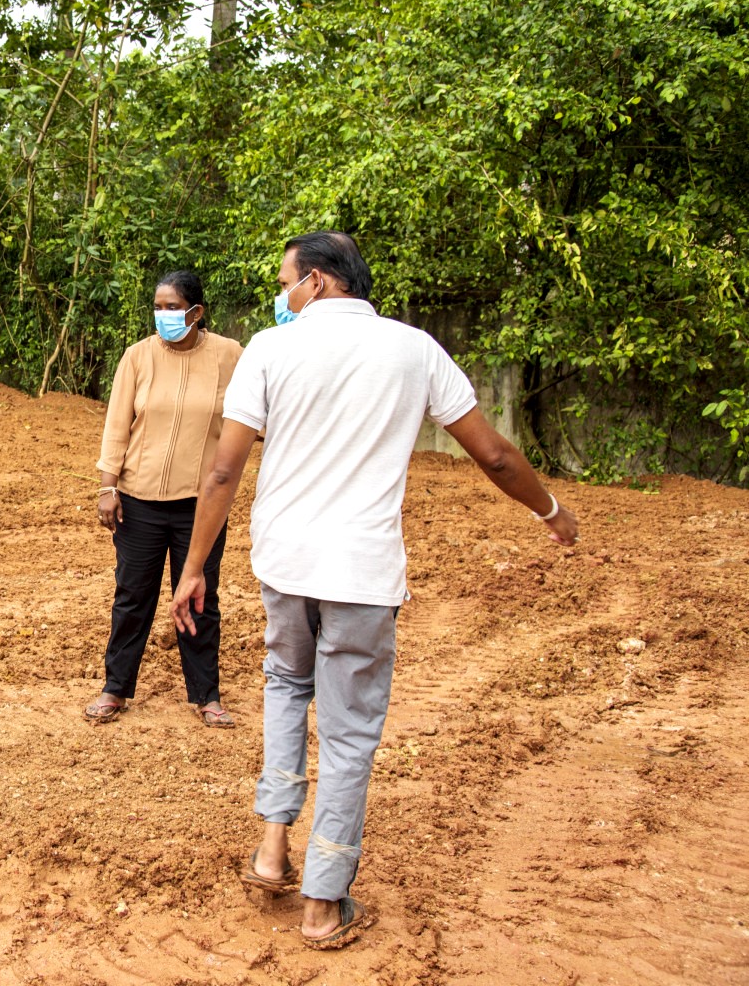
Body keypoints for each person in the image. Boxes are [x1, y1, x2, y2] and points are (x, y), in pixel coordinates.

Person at [171, 232, 579, 949]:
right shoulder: (415, 350)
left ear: (321, 282)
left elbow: (222, 472)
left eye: (286, 280)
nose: (282, 293)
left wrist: (195, 566)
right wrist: (550, 511)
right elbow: (491, 452)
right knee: (351, 733)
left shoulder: (270, 347)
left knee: (284, 686)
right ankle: (324, 904)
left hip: (286, 564)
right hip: (361, 571)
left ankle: (271, 850)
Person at [85, 270, 244, 728]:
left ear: (197, 312)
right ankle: (116, 688)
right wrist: (107, 485)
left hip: (203, 505)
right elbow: (117, 425)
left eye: (173, 307)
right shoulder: (137, 358)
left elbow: (252, 416)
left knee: (199, 598)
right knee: (133, 596)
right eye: (159, 306)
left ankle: (206, 694)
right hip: (139, 500)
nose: (164, 315)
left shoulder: (230, 356)